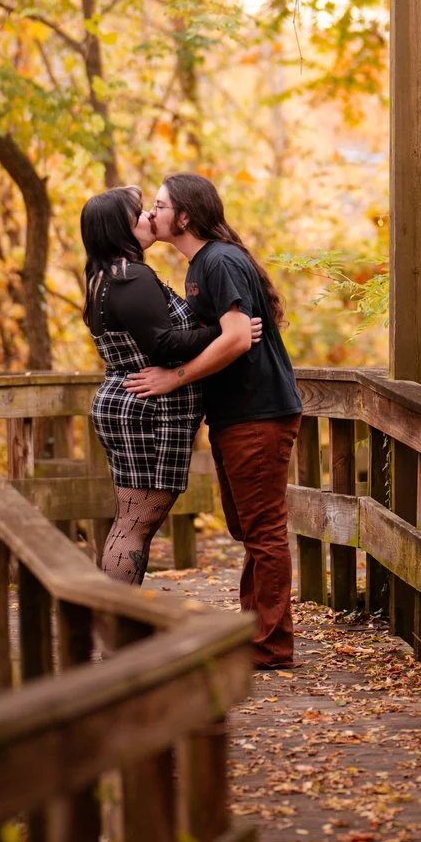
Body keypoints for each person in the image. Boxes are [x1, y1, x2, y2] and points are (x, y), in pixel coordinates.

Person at [127, 172, 303, 669]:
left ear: (184, 216)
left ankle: (269, 647)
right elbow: (225, 334)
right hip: (236, 414)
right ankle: (255, 634)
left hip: (258, 412)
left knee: (263, 530)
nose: (151, 213)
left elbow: (235, 339)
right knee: (247, 527)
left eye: (159, 206)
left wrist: (173, 378)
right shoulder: (203, 265)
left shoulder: (218, 261)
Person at [78, 187, 256, 585]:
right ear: (118, 230)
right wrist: (221, 331)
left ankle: (117, 627)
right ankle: (120, 630)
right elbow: (164, 344)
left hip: (126, 403)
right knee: (135, 527)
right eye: (137, 216)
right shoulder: (132, 277)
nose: (148, 220)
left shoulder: (102, 280)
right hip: (150, 411)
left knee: (129, 522)